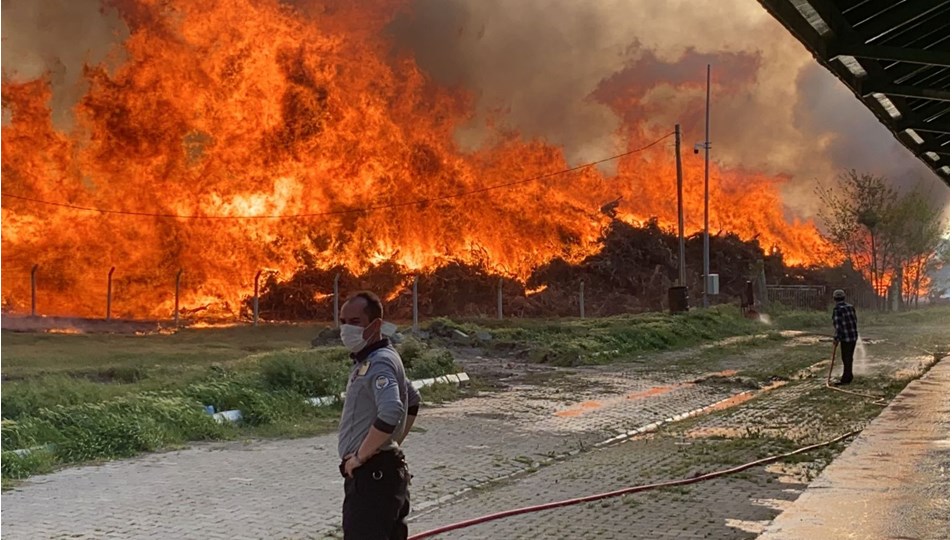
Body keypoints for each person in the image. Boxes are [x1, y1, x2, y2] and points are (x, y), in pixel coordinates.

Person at [337, 291, 421, 540]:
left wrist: (362, 456)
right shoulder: (383, 357)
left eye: (354, 322)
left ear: (375, 325)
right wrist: (390, 442)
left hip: (373, 481)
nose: (346, 329)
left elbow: (393, 409)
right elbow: (413, 399)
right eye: (343, 321)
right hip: (385, 475)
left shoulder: (379, 362)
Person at [831, 289, 859, 385]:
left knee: (845, 357)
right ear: (844, 297)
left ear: (834, 298)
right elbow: (854, 321)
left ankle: (846, 379)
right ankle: (849, 375)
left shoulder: (837, 309)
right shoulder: (851, 307)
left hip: (846, 338)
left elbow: (838, 326)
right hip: (853, 336)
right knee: (849, 357)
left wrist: (836, 338)